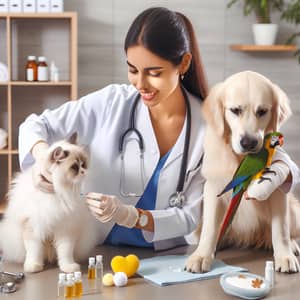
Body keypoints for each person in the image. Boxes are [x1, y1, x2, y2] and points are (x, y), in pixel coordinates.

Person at [19, 7, 299, 251]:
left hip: (165, 255)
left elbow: (192, 213)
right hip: (93, 245)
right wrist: (42, 156)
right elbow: (35, 125)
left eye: (154, 73)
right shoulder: (111, 102)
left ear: (184, 64)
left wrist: (132, 217)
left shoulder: (206, 125)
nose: (140, 84)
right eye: (132, 69)